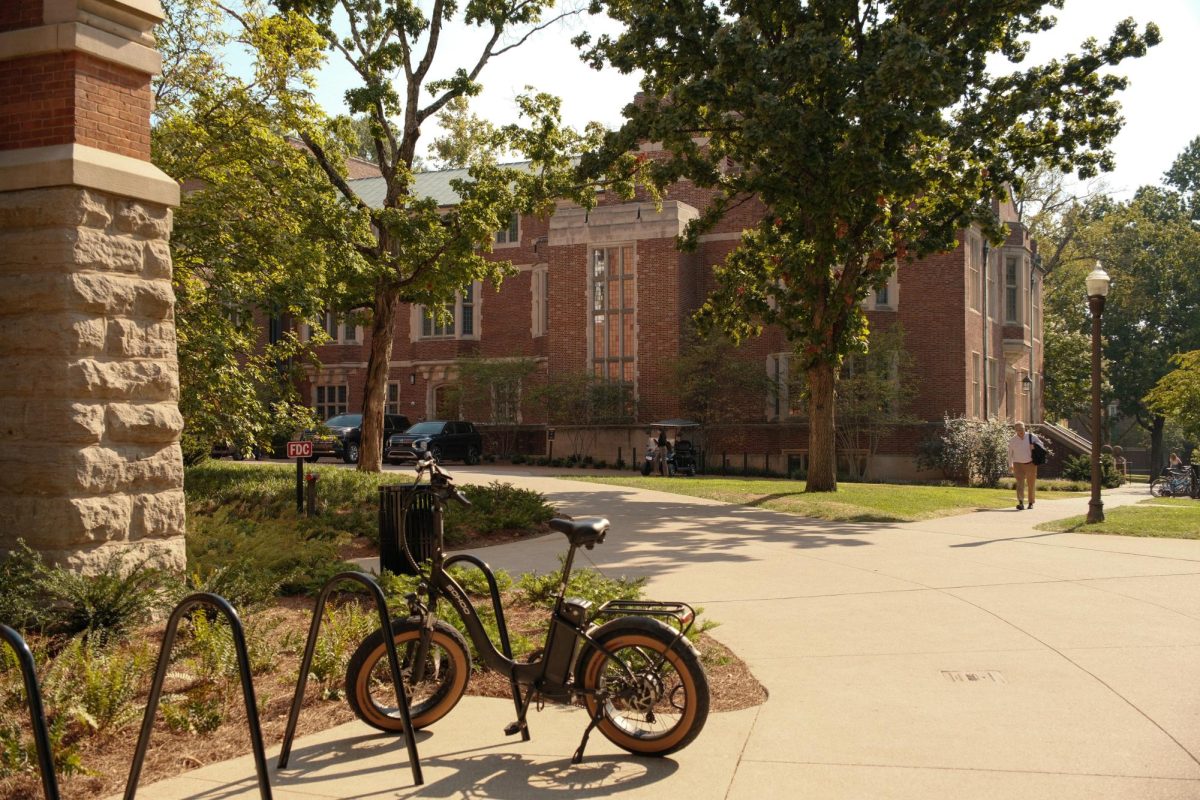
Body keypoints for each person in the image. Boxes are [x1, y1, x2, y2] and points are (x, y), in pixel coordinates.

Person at [1007, 422, 1044, 510]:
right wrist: (1010, 464)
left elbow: (1041, 445)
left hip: (1030, 463)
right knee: (1020, 484)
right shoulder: (1013, 440)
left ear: (1025, 428)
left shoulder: (1031, 436)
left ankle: (1031, 503)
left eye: (1022, 429)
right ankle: (1021, 503)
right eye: (1019, 430)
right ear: (1015, 430)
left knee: (1031, 483)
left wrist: (1034, 446)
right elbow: (1009, 453)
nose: (1021, 431)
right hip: (1018, 464)